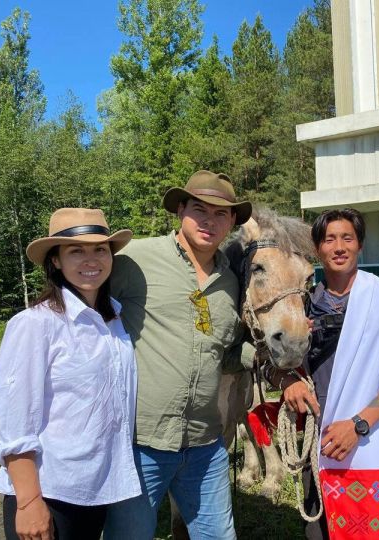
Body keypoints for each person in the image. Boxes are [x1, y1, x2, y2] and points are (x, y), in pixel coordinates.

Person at [103, 170, 252, 539]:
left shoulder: (231, 281)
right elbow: (85, 315)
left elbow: (225, 353)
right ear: (180, 210)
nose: (209, 221)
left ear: (232, 221)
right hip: (141, 444)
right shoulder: (134, 260)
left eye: (221, 214)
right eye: (199, 209)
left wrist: (269, 361)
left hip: (206, 446)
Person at [266, 208, 379, 540]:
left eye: (347, 238)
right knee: (320, 531)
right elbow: (269, 363)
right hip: (316, 442)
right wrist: (288, 380)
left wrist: (360, 423)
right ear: (317, 249)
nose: (339, 247)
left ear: (359, 245)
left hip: (371, 438)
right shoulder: (301, 306)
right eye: (329, 239)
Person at [0, 208, 139, 540]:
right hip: (50, 491)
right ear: (55, 261)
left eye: (100, 249)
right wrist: (28, 503)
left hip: (94, 488)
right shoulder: (36, 324)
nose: (91, 259)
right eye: (76, 251)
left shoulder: (113, 322)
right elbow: (12, 421)